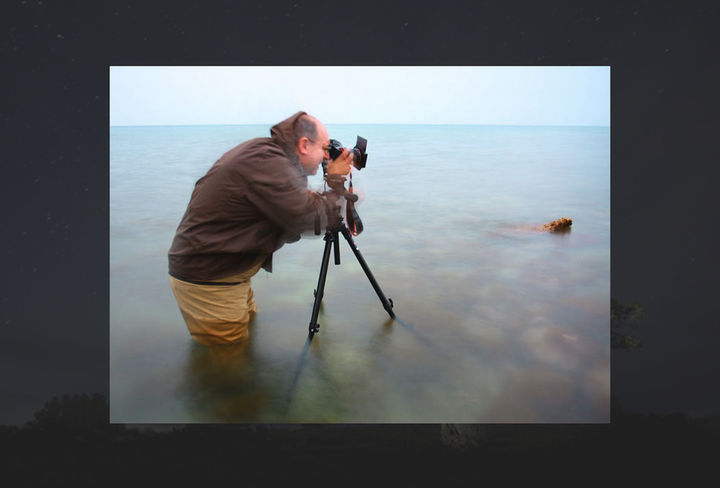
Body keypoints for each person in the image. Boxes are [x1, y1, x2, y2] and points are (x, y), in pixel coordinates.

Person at [168, 111, 353, 346]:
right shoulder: (270, 164)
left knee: (246, 336)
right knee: (229, 359)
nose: (327, 156)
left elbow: (291, 205)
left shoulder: (271, 158)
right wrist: (336, 183)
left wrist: (325, 195)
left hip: (227, 272)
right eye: (325, 148)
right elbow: (306, 218)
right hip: (210, 279)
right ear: (304, 145)